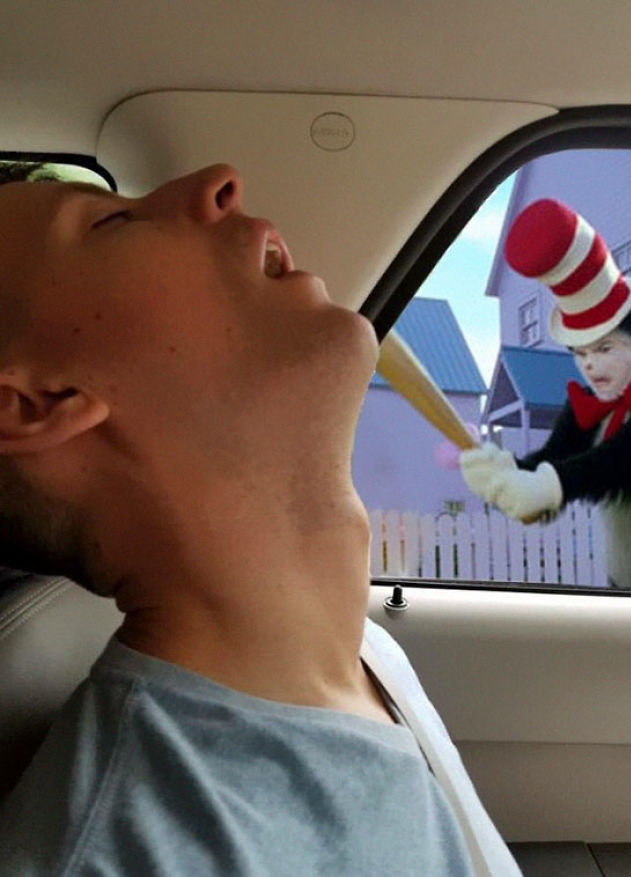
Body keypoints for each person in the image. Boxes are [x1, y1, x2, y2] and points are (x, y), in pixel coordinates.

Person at [0, 161, 522, 876]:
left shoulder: (365, 660)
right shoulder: (123, 855)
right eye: (111, 220)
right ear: (38, 402)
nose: (218, 181)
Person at [461, 198, 631, 589]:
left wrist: (550, 483)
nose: (590, 365)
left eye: (605, 348)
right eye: (580, 353)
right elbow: (556, 463)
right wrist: (503, 473)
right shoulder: (588, 405)